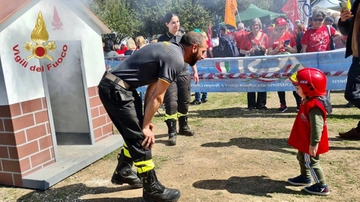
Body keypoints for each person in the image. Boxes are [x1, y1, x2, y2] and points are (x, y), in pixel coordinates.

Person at [98, 31, 207, 201]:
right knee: (141, 137)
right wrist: (144, 127)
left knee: (138, 132)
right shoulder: (176, 60)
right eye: (203, 51)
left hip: (121, 88)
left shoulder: (170, 50)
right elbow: (158, 96)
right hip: (116, 89)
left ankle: (123, 171)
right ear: (194, 48)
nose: (203, 56)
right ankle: (152, 189)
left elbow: (152, 87)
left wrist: (146, 121)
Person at [287, 68, 331, 196]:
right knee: (301, 157)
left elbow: (317, 126)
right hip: (305, 139)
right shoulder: (308, 100)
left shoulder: (314, 106)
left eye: (298, 89)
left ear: (309, 89)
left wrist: (314, 143)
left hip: (310, 141)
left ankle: (321, 186)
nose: (296, 91)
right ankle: (305, 177)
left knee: (311, 162)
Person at [158, 13, 198, 146]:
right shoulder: (162, 40)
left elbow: (191, 56)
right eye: (173, 22)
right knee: (171, 103)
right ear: (167, 24)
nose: (176, 25)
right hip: (169, 75)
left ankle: (183, 127)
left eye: (178, 22)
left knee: (185, 101)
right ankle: (172, 132)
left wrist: (195, 72)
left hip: (184, 73)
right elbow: (158, 58)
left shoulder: (184, 38)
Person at [267, 17, 302, 112]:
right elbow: (269, 53)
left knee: (294, 83)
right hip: (278, 65)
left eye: (282, 28)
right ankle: (283, 104)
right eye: (278, 28)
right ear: (275, 28)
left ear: (286, 27)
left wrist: (289, 48)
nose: (280, 31)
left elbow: (296, 51)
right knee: (280, 84)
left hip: (290, 64)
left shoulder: (290, 36)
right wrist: (276, 50)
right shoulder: (272, 38)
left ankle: (299, 104)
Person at [338, 0, 360, 139]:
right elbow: (346, 30)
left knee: (352, 94)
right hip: (356, 55)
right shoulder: (355, 2)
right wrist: (343, 20)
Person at [240, 18, 268, 110]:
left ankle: (261, 103)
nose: (255, 27)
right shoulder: (246, 37)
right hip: (250, 63)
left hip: (262, 62)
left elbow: (269, 49)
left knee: (262, 81)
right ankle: (251, 104)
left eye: (257, 25)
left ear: (260, 26)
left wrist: (265, 50)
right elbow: (241, 50)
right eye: (253, 25)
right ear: (251, 26)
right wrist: (249, 51)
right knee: (251, 82)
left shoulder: (265, 36)